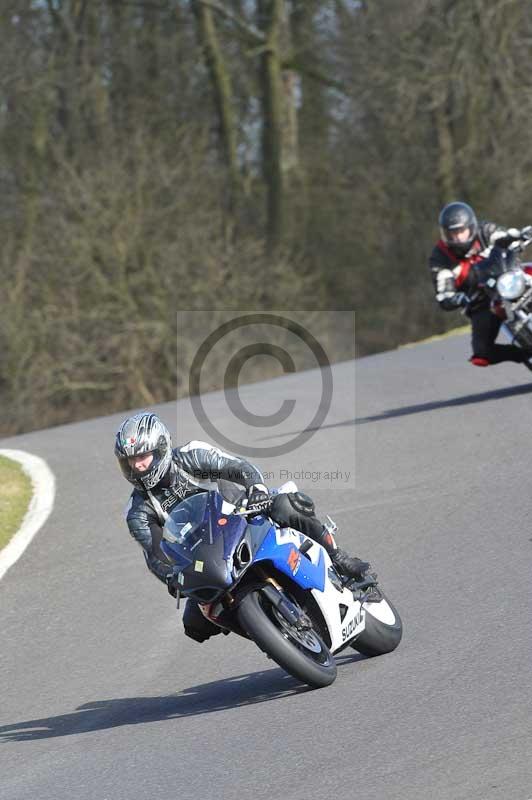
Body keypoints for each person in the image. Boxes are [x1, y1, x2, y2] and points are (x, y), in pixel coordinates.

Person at [115, 411, 371, 643]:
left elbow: (237, 467)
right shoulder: (137, 511)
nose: (136, 466)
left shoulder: (191, 455)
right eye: (129, 461)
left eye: (142, 457)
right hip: (205, 557)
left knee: (286, 505)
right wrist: (172, 578)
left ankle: (340, 560)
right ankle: (272, 634)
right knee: (194, 625)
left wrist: (256, 490)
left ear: (160, 449)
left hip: (243, 515)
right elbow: (155, 553)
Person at [430, 201, 531, 368]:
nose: (457, 237)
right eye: (451, 233)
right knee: (482, 353)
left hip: (509, 278)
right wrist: (454, 298)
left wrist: (519, 236)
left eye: (461, 231)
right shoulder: (440, 257)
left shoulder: (485, 231)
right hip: (481, 301)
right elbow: (443, 289)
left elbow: (503, 236)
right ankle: (524, 354)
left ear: (471, 227)